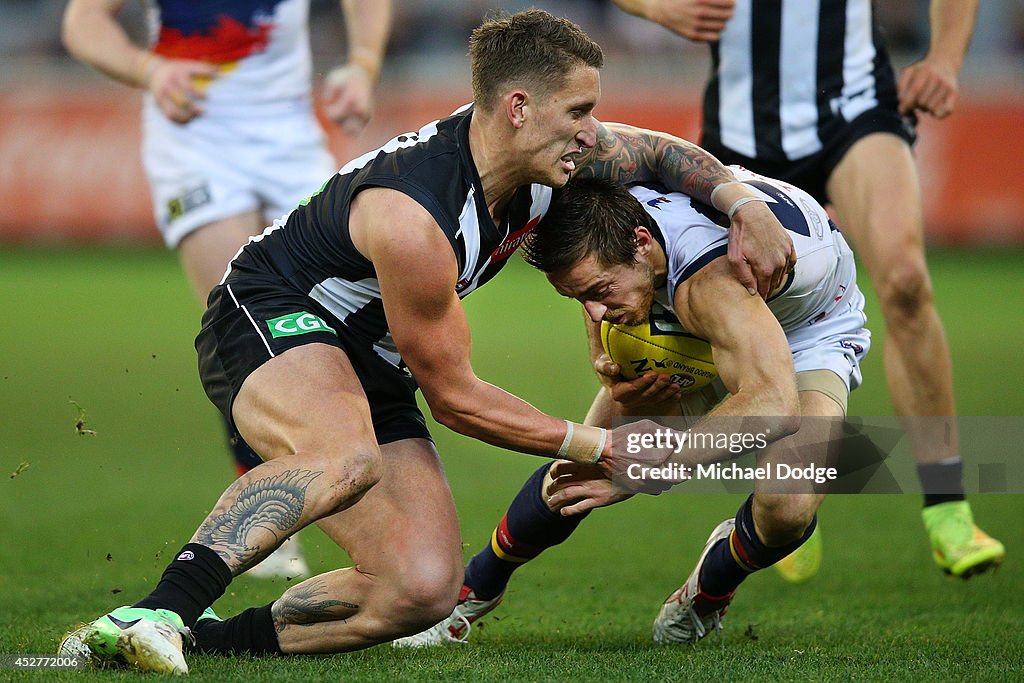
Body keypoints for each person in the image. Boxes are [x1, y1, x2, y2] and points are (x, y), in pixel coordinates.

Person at [57, 9, 797, 674]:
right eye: (578, 110)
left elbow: (660, 153)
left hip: (369, 354)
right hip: (270, 311)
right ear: (518, 108)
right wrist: (602, 447)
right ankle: (151, 611)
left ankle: (198, 643)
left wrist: (742, 204)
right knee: (342, 454)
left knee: (423, 589)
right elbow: (455, 398)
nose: (590, 128)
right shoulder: (416, 213)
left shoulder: (551, 159)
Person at [392, 168, 872, 647]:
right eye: (580, 296)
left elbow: (773, 405)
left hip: (811, 328)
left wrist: (643, 471)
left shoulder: (710, 282)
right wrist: (603, 356)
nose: (597, 311)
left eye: (599, 293)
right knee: (582, 462)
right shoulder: (608, 219)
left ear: (642, 242)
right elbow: (597, 285)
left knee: (787, 511)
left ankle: (708, 591)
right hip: (685, 315)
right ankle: (474, 588)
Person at [608, 0, 1004, 580]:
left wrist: (944, 58)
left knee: (907, 282)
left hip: (856, 108)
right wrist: (655, 7)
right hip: (741, 129)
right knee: (744, 300)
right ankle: (789, 500)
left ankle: (947, 506)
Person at [61, 0, 394, 579]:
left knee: (346, 318)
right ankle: (274, 508)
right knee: (239, 317)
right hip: (195, 138)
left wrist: (362, 64)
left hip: (289, 135)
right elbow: (83, 20)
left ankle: (382, 542)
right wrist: (150, 70)